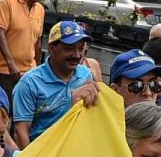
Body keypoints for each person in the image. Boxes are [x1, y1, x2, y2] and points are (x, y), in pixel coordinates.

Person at [12, 20, 100, 148]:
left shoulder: (86, 74)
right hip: (42, 151)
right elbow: (21, 132)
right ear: (52, 49)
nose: (77, 55)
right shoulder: (30, 83)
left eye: (81, 49)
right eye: (69, 48)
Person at [0, 0, 46, 95]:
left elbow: (37, 42)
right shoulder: (7, 2)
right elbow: (0, 34)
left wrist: (38, 69)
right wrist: (10, 63)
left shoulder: (40, 9)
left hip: (28, 73)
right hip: (4, 71)